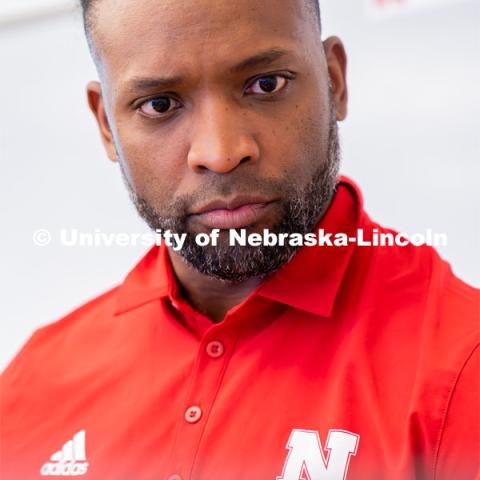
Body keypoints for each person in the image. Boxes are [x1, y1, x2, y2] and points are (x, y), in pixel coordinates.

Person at [1, 0, 478, 479]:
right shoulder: (32, 386)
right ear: (107, 125)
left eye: (265, 84)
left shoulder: (460, 369)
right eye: (160, 104)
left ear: (335, 80)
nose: (221, 152)